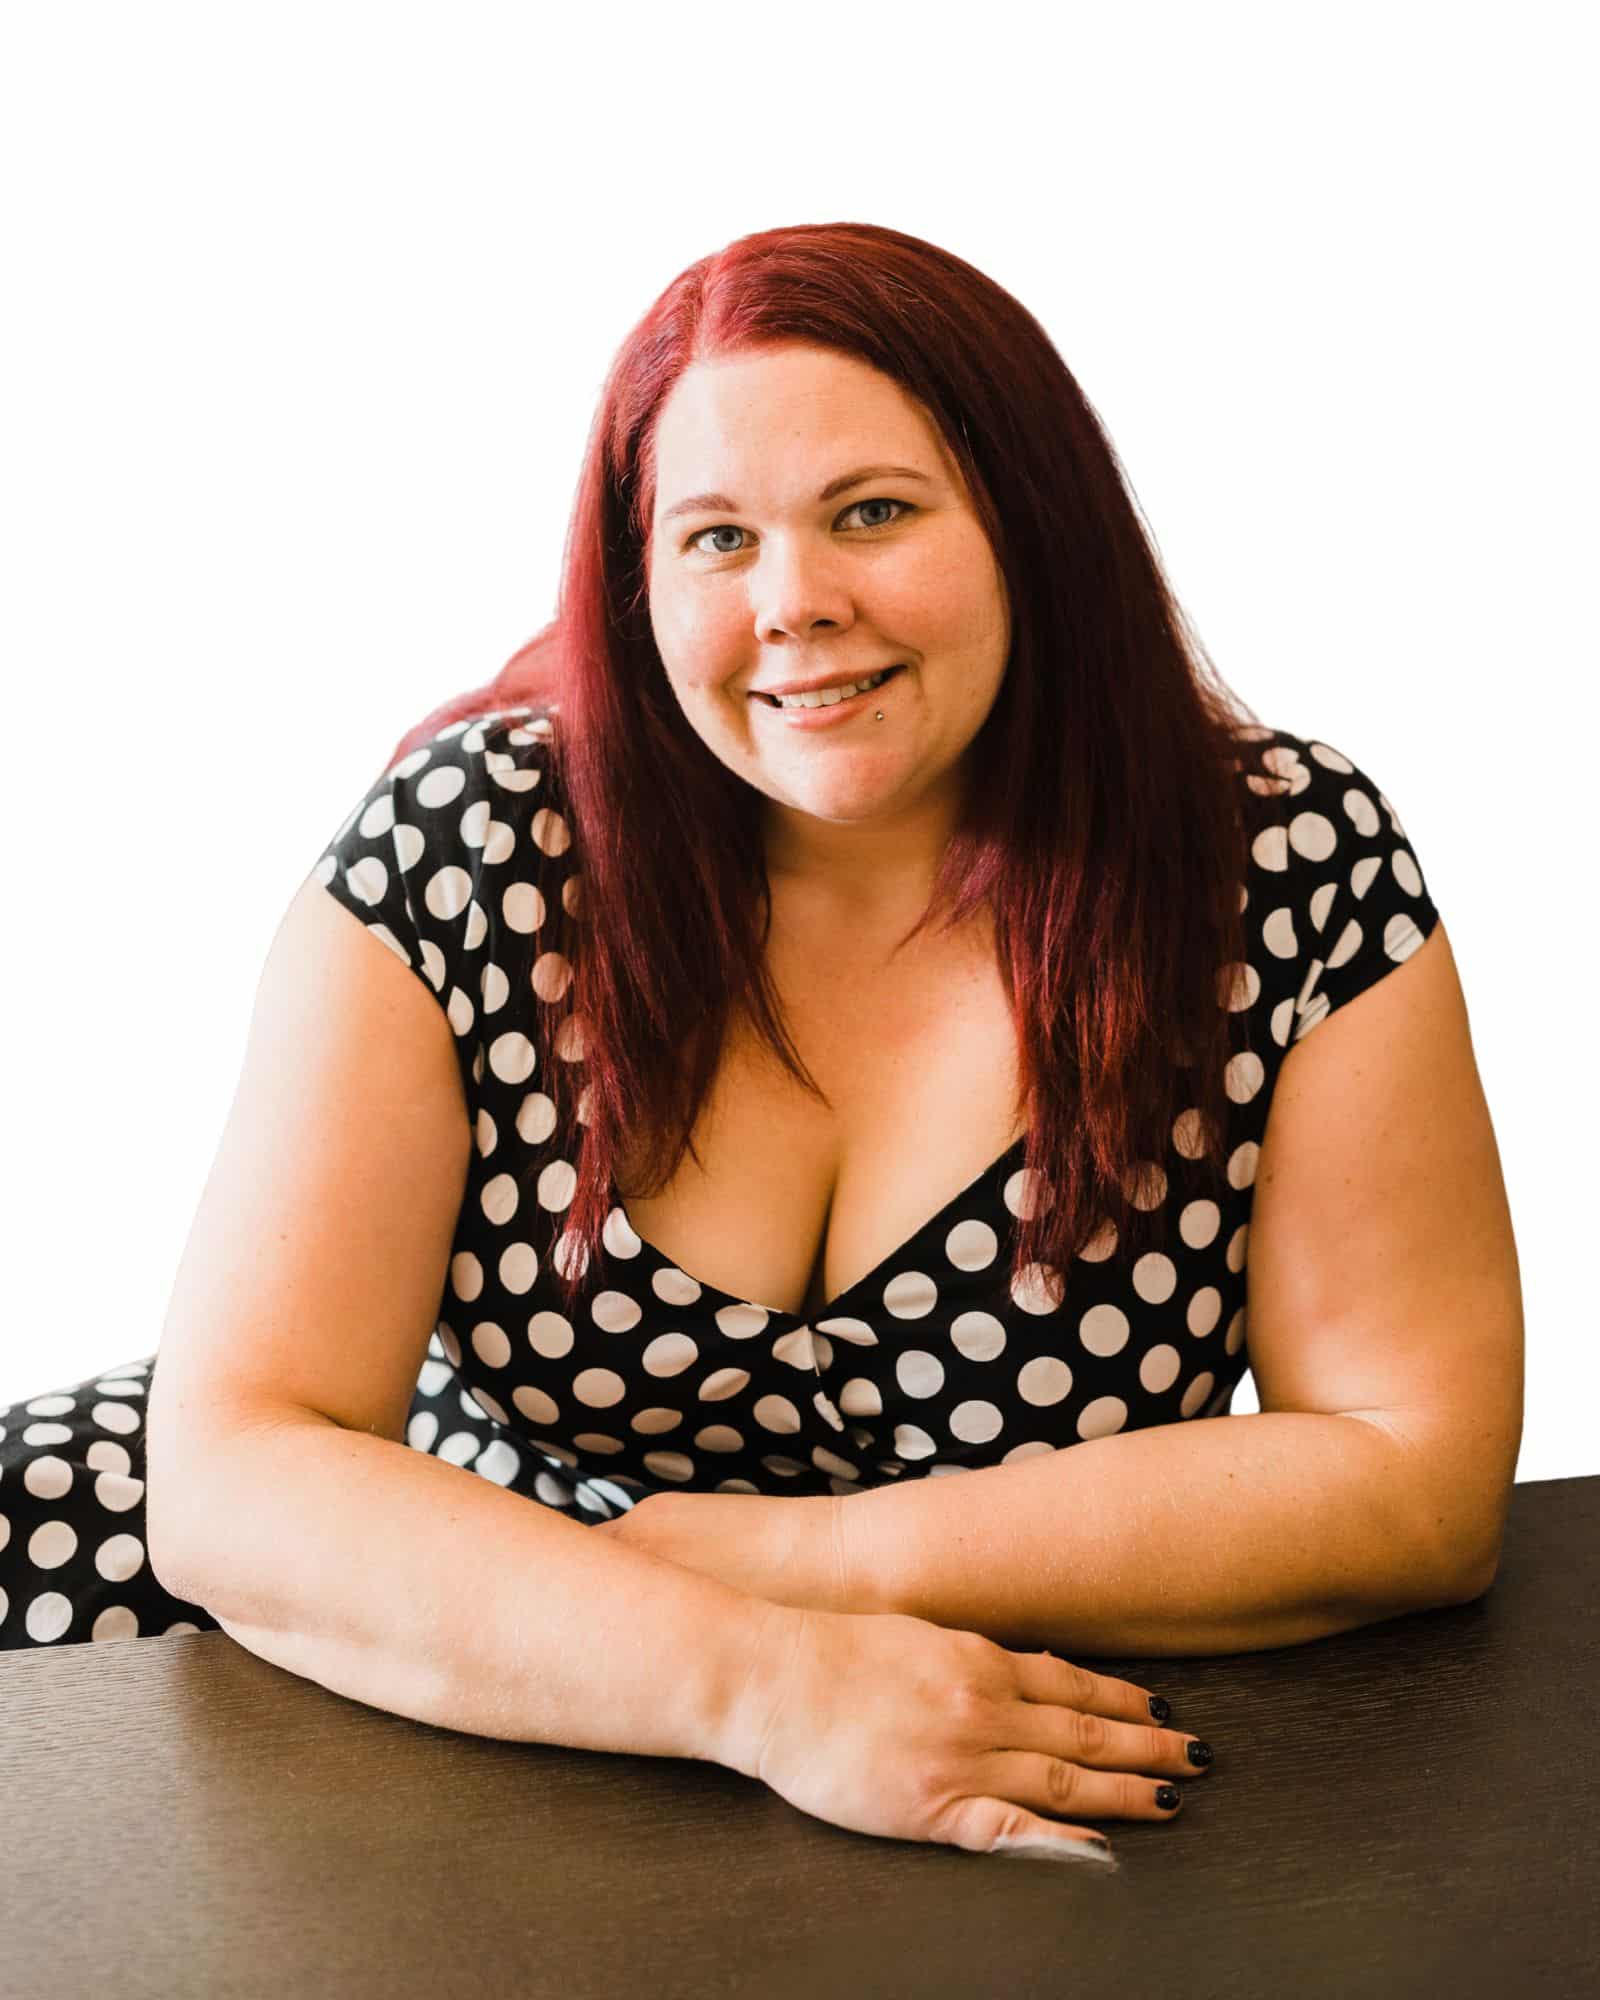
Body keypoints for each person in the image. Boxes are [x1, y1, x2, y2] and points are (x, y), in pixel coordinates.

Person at [0, 221, 1522, 1869]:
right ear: (638, 582)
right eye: (717, 538)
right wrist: (765, 1685)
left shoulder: (1285, 863)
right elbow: (234, 1470)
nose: (794, 604)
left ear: (1035, 525)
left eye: (873, 512)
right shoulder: (470, 844)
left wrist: (825, 1568)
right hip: (421, 1611)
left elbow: (1415, 1478)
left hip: (940, 1697)